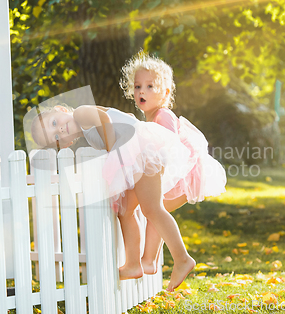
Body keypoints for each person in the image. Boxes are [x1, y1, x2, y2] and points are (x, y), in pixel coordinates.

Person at [31, 103, 196, 291]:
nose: (59, 130)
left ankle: (182, 258)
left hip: (142, 151)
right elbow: (121, 115)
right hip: (137, 153)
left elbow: (105, 119)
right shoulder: (86, 130)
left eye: (54, 122)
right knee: (125, 211)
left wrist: (112, 153)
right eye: (56, 137)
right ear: (65, 144)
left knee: (152, 209)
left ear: (61, 109)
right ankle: (133, 264)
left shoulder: (80, 113)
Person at [120, 52, 227, 276]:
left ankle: (179, 259)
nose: (142, 91)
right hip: (172, 175)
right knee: (155, 211)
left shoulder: (162, 115)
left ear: (165, 92)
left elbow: (168, 147)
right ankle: (148, 261)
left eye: (150, 86)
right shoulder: (149, 118)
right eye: (138, 86)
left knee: (154, 210)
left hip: (181, 176)